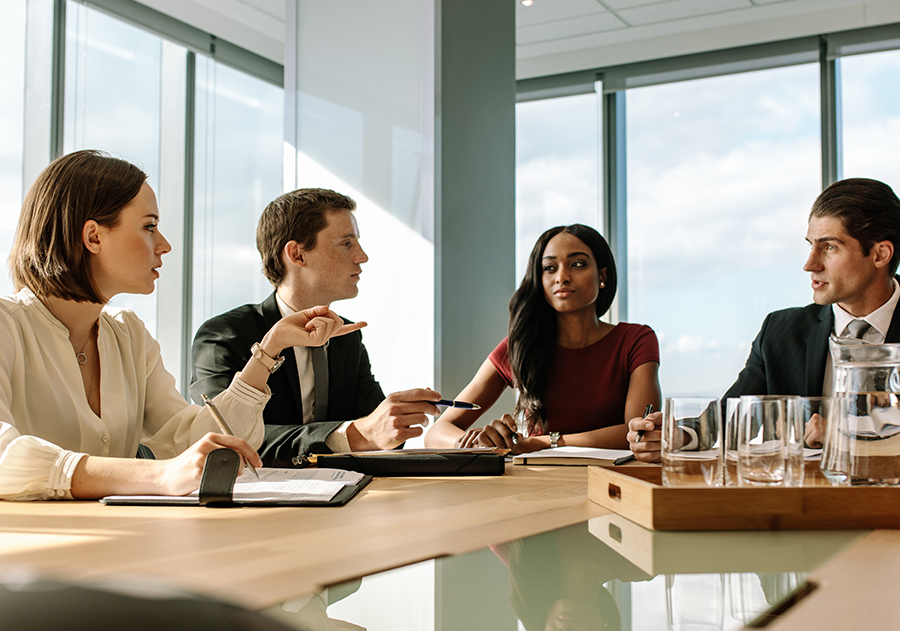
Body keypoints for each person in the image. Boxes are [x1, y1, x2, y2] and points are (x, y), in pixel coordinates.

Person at [0, 150, 356, 500]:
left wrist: (269, 350)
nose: (165, 245)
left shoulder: (129, 334)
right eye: (149, 227)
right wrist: (158, 473)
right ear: (93, 237)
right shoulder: (6, 326)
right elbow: (5, 455)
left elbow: (186, 437)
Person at [628, 177, 900, 462]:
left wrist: (844, 435)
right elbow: (728, 417)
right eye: (811, 245)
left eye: (829, 247)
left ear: (880, 254)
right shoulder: (780, 331)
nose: (810, 264)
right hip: (799, 500)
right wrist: (676, 436)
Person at [191, 188, 440, 467]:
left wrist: (396, 420)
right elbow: (223, 435)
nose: (362, 256)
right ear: (297, 255)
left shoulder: (347, 335)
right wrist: (351, 436)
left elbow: (375, 432)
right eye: (346, 243)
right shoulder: (223, 337)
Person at [424, 224, 661, 453]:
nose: (562, 277)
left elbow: (640, 434)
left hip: (615, 482)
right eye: (550, 268)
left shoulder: (636, 340)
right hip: (537, 484)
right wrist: (474, 443)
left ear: (602, 276)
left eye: (577, 264)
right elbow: (437, 433)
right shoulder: (520, 347)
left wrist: (547, 443)